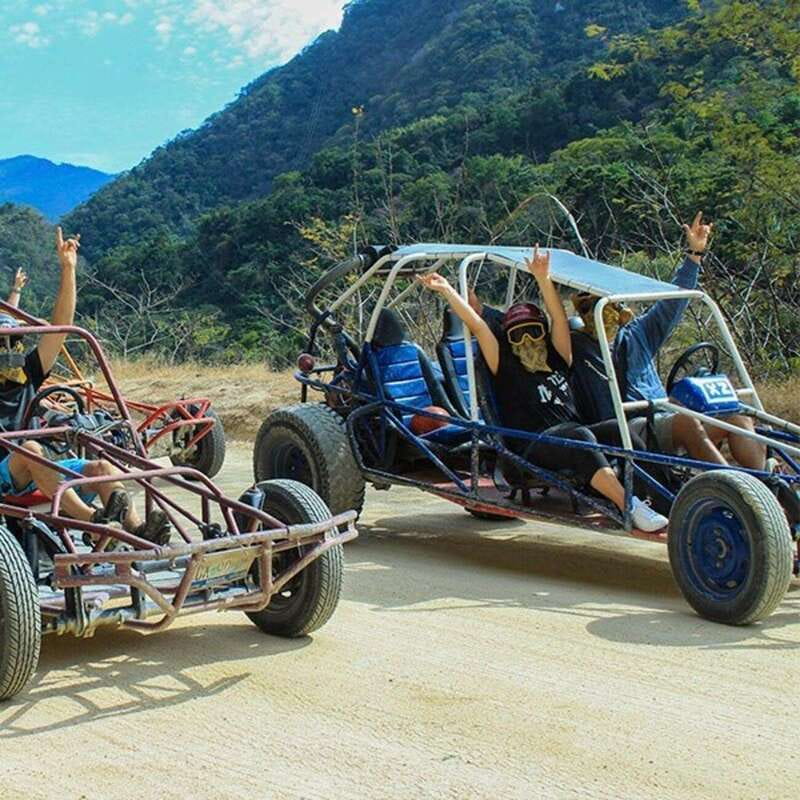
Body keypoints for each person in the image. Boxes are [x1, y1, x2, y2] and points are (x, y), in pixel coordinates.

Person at [418, 246, 669, 532]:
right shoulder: (503, 364)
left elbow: (558, 318)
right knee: (579, 435)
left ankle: (664, 502)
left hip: (569, 436)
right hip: (531, 445)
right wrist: (448, 290)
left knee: (623, 431)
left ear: (543, 333)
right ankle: (630, 507)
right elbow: (478, 327)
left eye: (533, 331)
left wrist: (543, 278)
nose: (527, 340)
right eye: (517, 334)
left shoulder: (558, 356)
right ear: (509, 339)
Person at [0, 228, 170, 545]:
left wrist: (68, 269)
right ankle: (94, 523)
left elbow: (60, 326)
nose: (10, 350)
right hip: (9, 470)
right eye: (4, 344)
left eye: (13, 342)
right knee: (32, 449)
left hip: (38, 467)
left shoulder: (27, 373)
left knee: (102, 466)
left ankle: (137, 533)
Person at [569, 212, 765, 470]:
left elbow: (673, 304)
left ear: (619, 310)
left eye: (604, 306)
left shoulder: (638, 333)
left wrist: (694, 255)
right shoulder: (577, 347)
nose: (598, 313)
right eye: (588, 307)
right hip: (627, 428)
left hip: (664, 417)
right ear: (581, 313)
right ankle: (739, 491)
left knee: (736, 415)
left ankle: (765, 488)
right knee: (685, 423)